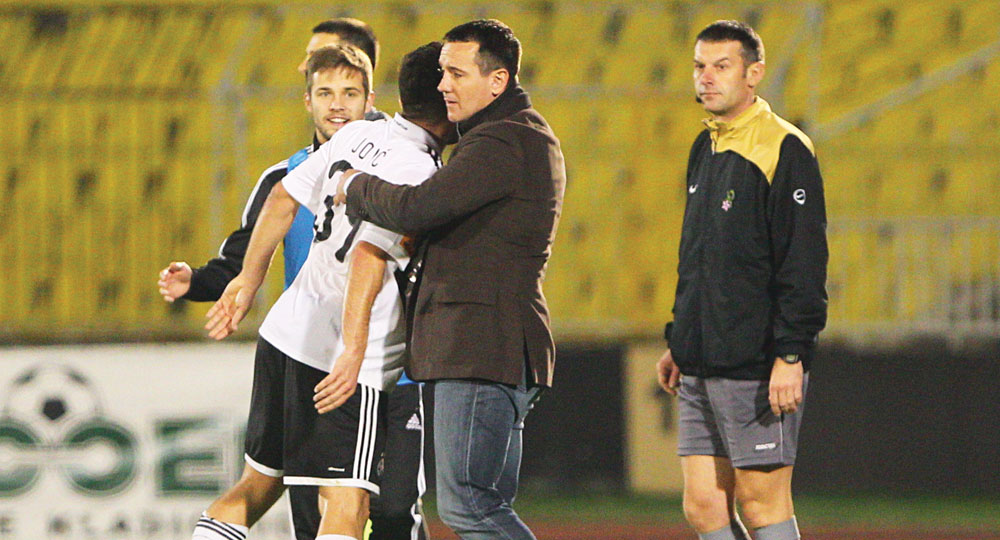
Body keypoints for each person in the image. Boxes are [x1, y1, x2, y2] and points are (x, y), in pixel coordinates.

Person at [158, 18, 430, 540]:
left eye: (348, 89)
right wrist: (206, 282)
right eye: (321, 82)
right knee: (336, 507)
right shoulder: (301, 170)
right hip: (338, 355)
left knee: (392, 510)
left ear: (370, 92)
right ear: (307, 92)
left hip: (374, 371)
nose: (335, 101)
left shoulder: (379, 149)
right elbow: (244, 258)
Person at [335, 19, 565, 540]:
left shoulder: (503, 141)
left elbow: (417, 207)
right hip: (491, 347)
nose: (443, 86)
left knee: (469, 509)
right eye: (442, 73)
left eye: (457, 74)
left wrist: (357, 184)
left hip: (481, 346)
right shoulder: (509, 135)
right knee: (481, 503)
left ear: (498, 80)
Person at [655, 20, 828, 540]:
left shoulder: (784, 147)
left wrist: (791, 354)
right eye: (699, 66)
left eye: (721, 66)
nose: (706, 77)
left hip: (755, 360)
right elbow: (699, 257)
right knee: (703, 505)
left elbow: (803, 262)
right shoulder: (704, 146)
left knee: (760, 503)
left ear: (754, 74)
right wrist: (681, 338)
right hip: (702, 356)